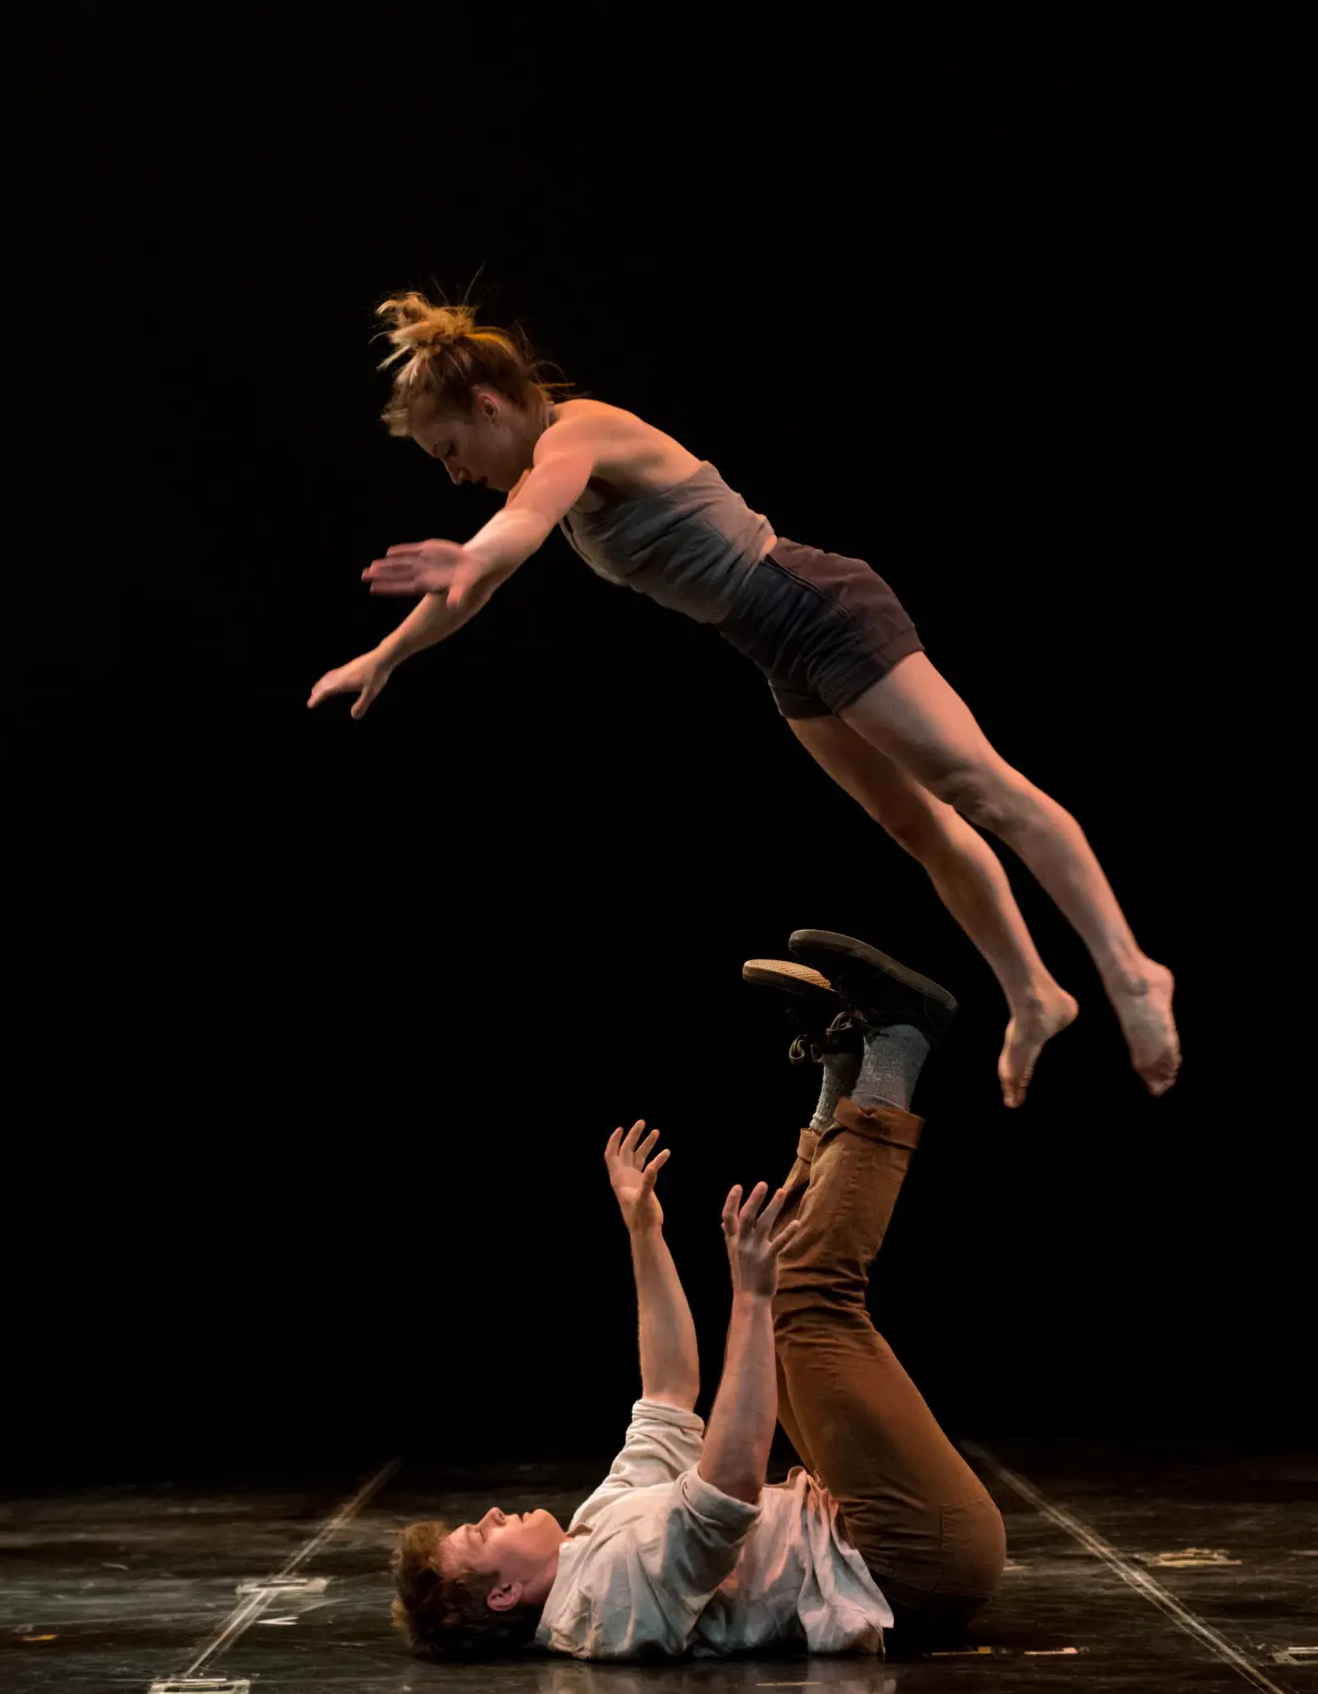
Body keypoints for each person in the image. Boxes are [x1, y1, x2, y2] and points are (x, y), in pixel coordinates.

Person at [306, 293, 1179, 1105]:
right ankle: (1034, 994)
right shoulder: (551, 468)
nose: (455, 475)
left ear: (490, 405)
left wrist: (473, 554)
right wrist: (387, 654)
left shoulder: (580, 433)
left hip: (817, 605)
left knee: (979, 787)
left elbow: (519, 526)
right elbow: (484, 577)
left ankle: (1132, 970)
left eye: (450, 450)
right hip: (775, 647)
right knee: (919, 827)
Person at [389, 931, 1009, 1661]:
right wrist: (749, 1300)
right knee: (803, 1296)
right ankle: (901, 1042)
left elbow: (668, 1394)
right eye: (480, 1534)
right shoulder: (606, 1600)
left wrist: (643, 1230)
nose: (493, 1514)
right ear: (502, 1594)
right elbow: (731, 1485)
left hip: (871, 1531)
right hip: (913, 1562)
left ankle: (845, 1065)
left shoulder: (588, 1540)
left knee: (783, 1290)